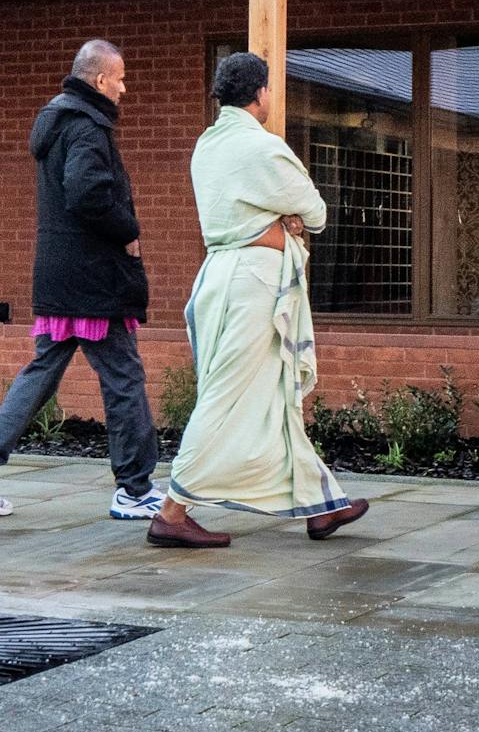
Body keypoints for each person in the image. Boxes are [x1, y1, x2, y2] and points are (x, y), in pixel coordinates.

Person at [150, 51, 368, 549]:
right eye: (270, 88)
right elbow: (315, 211)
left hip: (220, 275)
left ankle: (321, 506)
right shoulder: (261, 147)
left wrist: (280, 216)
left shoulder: (206, 144)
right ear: (261, 93)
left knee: (273, 398)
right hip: (253, 283)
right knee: (227, 395)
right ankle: (172, 510)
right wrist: (290, 218)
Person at [0, 39, 164, 524]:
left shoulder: (57, 122)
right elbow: (87, 193)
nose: (126, 88)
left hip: (61, 274)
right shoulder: (87, 127)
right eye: (122, 78)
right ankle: (134, 490)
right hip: (93, 279)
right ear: (100, 80)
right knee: (124, 379)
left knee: (43, 371)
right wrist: (128, 232)